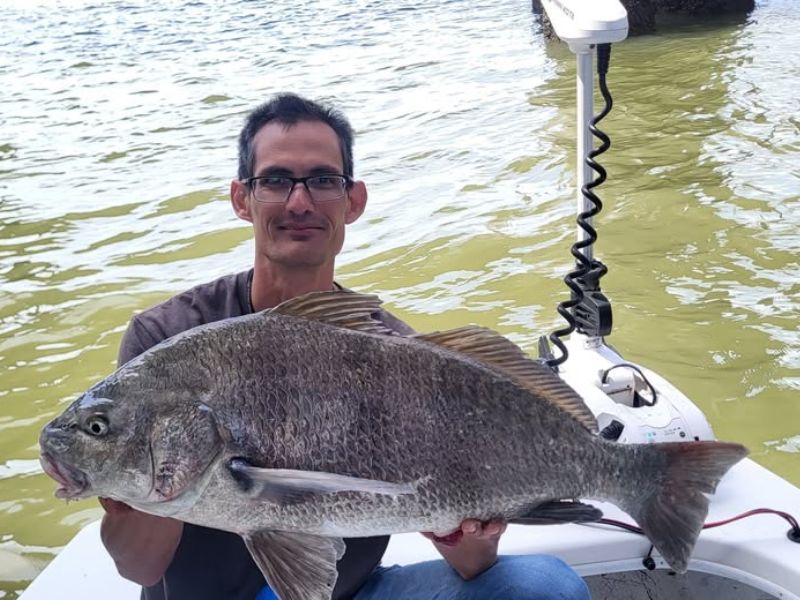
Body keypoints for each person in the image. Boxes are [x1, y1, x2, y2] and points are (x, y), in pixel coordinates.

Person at [100, 93, 590, 600]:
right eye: (275, 180)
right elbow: (140, 568)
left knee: (544, 588)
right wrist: (136, 484)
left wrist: (469, 532)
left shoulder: (393, 353)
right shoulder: (165, 342)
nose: (299, 203)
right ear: (241, 199)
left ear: (353, 200)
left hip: (349, 592)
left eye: (323, 180)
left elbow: (473, 566)